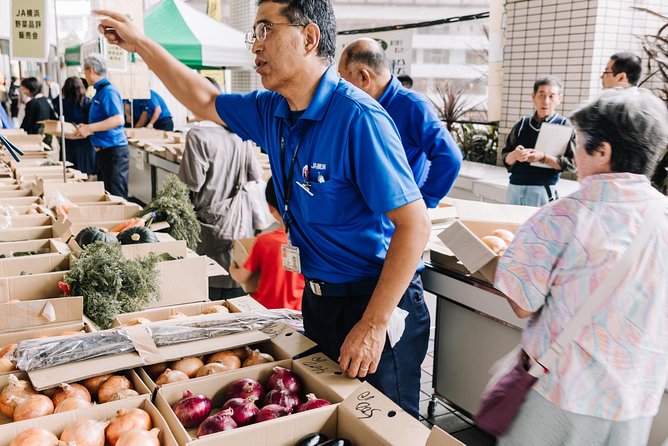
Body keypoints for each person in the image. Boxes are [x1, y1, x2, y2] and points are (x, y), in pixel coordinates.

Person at [97, 0, 430, 418]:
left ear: (309, 38)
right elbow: (204, 98)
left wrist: (374, 324)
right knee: (333, 422)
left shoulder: (357, 118)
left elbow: (414, 226)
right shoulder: (273, 110)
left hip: (375, 304)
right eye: (253, 33)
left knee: (384, 429)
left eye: (265, 30)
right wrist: (141, 43)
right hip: (319, 300)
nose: (254, 46)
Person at [494, 88, 668, 445]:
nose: (574, 152)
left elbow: (523, 304)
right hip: (637, 397)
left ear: (602, 152)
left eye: (580, 143)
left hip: (562, 393)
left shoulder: (563, 217)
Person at [339, 38, 462, 208]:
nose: (341, 86)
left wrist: (423, 204)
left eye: (343, 78)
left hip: (395, 222)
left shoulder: (412, 106)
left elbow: (450, 157)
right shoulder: (361, 109)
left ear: (363, 76)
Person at [178, 125, 266, 300]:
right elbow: (256, 174)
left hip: (209, 218)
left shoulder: (197, 135)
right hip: (240, 219)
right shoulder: (241, 132)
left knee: (208, 287)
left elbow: (192, 182)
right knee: (237, 282)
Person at [230, 177, 305, 310]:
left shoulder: (264, 241)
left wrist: (232, 268)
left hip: (265, 310)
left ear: (270, 208)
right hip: (298, 312)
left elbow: (242, 276)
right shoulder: (309, 242)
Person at [501, 76, 575, 206]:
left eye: (551, 96)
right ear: (533, 96)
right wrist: (515, 155)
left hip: (542, 190)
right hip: (514, 188)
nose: (546, 101)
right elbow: (505, 158)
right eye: (541, 95)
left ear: (559, 99)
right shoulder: (522, 123)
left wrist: (543, 157)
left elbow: (572, 164)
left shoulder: (564, 126)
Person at [73, 54, 129, 198]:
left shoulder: (109, 91)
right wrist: (85, 127)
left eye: (84, 72)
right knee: (108, 194)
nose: (84, 76)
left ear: (90, 70)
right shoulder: (100, 91)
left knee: (116, 196)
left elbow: (118, 119)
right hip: (104, 151)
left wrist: (89, 128)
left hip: (114, 152)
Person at [54, 77, 96, 175]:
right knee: (87, 172)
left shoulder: (61, 103)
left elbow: (54, 102)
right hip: (85, 141)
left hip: (68, 140)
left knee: (70, 171)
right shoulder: (87, 102)